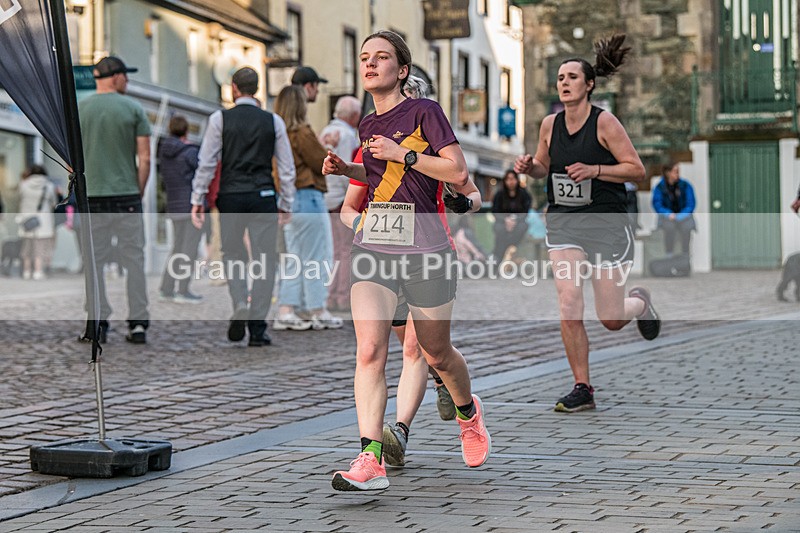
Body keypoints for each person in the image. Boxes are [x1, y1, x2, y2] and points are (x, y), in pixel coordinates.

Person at [323, 30, 490, 492]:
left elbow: (457, 172)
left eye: (381, 57)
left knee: (435, 352)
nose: (371, 64)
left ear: (402, 69)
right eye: (364, 58)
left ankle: (468, 413)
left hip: (427, 250)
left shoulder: (425, 112)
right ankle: (370, 457)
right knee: (370, 351)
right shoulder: (367, 124)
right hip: (375, 248)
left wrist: (405, 152)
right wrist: (349, 170)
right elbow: (382, 178)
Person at [514, 34, 661, 413]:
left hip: (606, 224)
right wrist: (531, 167)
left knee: (610, 318)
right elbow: (545, 167)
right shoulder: (550, 124)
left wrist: (594, 169)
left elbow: (637, 170)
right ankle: (583, 386)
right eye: (560, 77)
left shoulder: (605, 123)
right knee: (569, 301)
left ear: (589, 84)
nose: (564, 83)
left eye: (572, 77)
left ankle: (640, 303)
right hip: (564, 222)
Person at [191, 67, 296, 347]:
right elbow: (286, 168)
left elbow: (207, 162)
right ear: (257, 88)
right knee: (266, 258)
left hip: (232, 195)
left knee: (233, 252)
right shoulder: (273, 121)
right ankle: (258, 327)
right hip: (262, 194)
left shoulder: (219, 119)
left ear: (234, 89)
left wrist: (197, 198)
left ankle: (240, 300)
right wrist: (286, 202)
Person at [78, 56, 151, 344]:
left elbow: (72, 162)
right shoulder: (134, 108)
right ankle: (138, 323)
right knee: (134, 259)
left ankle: (97, 322)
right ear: (115, 76)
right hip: (127, 197)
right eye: (126, 76)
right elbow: (144, 158)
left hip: (92, 197)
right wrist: (139, 189)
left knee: (93, 262)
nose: (128, 82)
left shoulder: (80, 110)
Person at [272, 85, 342, 331]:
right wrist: (328, 146)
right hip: (308, 197)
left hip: (289, 198)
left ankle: (287, 309)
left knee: (294, 258)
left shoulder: (279, 133)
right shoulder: (302, 131)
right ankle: (317, 309)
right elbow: (320, 161)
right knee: (317, 256)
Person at [319, 95, 362, 312]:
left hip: (325, 198)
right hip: (340, 199)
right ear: (354, 116)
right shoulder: (347, 136)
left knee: (332, 250)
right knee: (346, 250)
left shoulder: (324, 132)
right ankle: (343, 296)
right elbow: (348, 169)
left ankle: (329, 295)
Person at [158, 115, 203, 304]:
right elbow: (200, 174)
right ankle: (183, 290)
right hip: (191, 204)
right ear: (186, 130)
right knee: (189, 248)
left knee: (177, 247)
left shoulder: (163, 151)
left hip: (174, 204)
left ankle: (166, 287)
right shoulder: (190, 151)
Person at [16, 165, 57, 280]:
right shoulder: (49, 186)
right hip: (43, 221)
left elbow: (18, 200)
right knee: (40, 246)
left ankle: (26, 271)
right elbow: (54, 203)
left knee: (27, 246)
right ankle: (38, 272)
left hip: (27, 220)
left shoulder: (23, 185)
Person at [652, 162, 696, 256]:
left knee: (686, 228)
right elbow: (657, 204)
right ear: (668, 173)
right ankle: (669, 255)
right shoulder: (660, 187)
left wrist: (680, 216)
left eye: (678, 171)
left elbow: (690, 204)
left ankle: (685, 254)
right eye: (675, 171)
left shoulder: (685, 185)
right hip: (668, 218)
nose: (677, 174)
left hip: (683, 217)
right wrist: (668, 214)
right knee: (669, 228)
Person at [491, 170, 532, 261]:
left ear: (517, 180)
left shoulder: (523, 194)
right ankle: (501, 254)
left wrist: (514, 220)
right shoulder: (499, 194)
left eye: (513, 179)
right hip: (502, 222)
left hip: (519, 222)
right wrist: (506, 220)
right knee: (498, 228)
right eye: (508, 179)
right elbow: (495, 211)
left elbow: (526, 211)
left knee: (523, 227)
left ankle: (511, 249)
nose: (511, 182)